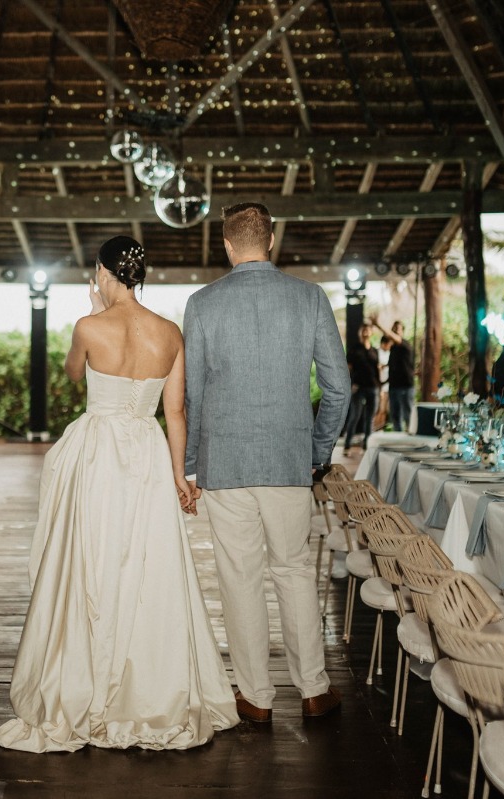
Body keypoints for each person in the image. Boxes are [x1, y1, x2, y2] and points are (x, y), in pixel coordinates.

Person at [0, 236, 237, 753]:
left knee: (93, 560)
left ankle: (87, 680)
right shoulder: (170, 333)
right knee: (147, 564)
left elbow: (73, 373)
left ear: (104, 272)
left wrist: (93, 310)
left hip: (100, 451)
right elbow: (176, 414)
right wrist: (181, 476)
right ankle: (148, 686)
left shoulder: (89, 326)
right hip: (148, 452)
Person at [183, 202, 350, 724]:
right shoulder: (310, 298)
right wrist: (317, 452)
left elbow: (192, 393)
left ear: (228, 246)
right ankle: (314, 690)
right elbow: (339, 390)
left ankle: (255, 697)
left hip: (225, 463)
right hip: (288, 461)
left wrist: (189, 465)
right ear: (271, 240)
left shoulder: (202, 303)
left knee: (239, 578)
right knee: (295, 572)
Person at [342, 324, 381, 452]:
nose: (366, 331)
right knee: (355, 416)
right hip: (358, 387)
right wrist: (350, 384)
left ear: (371, 333)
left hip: (372, 387)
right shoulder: (354, 349)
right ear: (360, 333)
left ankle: (367, 446)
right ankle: (347, 445)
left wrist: (379, 387)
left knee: (370, 418)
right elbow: (348, 369)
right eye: (363, 329)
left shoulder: (374, 350)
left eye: (368, 329)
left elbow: (377, 370)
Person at [376, 319, 415, 432]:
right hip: (393, 387)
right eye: (394, 328)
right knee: (395, 416)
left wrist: (378, 324)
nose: (396, 331)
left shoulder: (405, 344)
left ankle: (411, 438)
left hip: (405, 387)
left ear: (402, 332)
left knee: (408, 415)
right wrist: (384, 381)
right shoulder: (392, 348)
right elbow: (394, 367)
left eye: (398, 329)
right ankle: (399, 438)